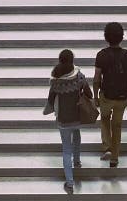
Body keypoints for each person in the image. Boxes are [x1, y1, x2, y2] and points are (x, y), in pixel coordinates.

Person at [43, 48, 93, 195]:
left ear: (60, 61)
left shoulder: (55, 80)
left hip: (63, 119)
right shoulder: (79, 77)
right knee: (77, 134)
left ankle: (70, 182)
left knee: (66, 149)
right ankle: (77, 161)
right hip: (77, 116)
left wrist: (48, 110)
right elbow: (89, 94)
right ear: (72, 61)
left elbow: (50, 100)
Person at [93, 21, 127, 169]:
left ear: (106, 37)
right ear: (122, 37)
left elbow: (96, 79)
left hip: (107, 96)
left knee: (105, 119)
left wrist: (95, 96)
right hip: (122, 97)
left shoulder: (101, 55)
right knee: (117, 126)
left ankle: (107, 147)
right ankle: (114, 158)